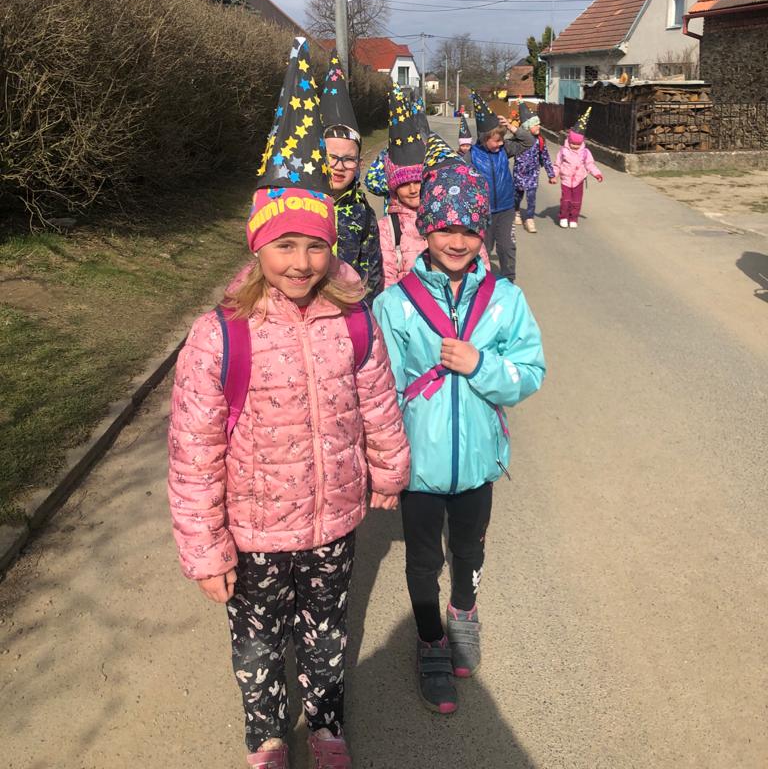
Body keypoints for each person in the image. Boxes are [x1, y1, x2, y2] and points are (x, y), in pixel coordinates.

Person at [168, 37, 410, 769]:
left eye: (315, 246)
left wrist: (388, 472)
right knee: (258, 640)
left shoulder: (354, 320)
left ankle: (327, 725)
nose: (301, 263)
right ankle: (269, 736)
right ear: (257, 247)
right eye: (285, 246)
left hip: (333, 520)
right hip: (254, 530)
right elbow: (194, 452)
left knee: (327, 632)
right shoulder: (220, 336)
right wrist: (206, 548)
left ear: (332, 246)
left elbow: (378, 402)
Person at [373, 160, 545, 716]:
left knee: (469, 548)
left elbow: (530, 372)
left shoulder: (506, 301)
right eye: (445, 227)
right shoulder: (394, 305)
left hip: (477, 462)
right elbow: (378, 391)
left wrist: (480, 365)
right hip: (418, 466)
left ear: (482, 232)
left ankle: (464, 612)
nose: (457, 240)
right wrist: (384, 463)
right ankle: (430, 640)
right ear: (425, 226)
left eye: (470, 229)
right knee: (423, 559)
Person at [321, 50, 383, 297]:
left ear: (358, 164)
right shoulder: (299, 204)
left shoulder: (362, 212)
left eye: (348, 159)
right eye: (331, 157)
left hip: (350, 306)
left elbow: (372, 269)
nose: (339, 166)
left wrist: (367, 308)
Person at [468, 91, 534, 283]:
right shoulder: (471, 155)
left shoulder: (504, 149)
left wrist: (511, 127)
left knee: (507, 246)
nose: (500, 143)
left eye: (501, 139)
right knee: (483, 249)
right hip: (483, 212)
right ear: (483, 138)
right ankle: (482, 281)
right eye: (496, 140)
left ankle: (509, 281)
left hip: (506, 208)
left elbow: (528, 141)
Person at [378, 89, 429, 287]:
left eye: (418, 181)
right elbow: (387, 276)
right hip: (404, 301)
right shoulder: (388, 227)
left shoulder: (440, 216)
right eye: (404, 184)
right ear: (393, 188)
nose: (413, 189)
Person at [512, 100, 556, 235]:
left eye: (539, 124)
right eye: (535, 124)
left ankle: (530, 219)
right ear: (526, 127)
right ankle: (516, 211)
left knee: (531, 197)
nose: (538, 126)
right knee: (517, 195)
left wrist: (551, 174)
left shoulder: (540, 141)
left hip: (533, 174)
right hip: (519, 173)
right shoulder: (518, 140)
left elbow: (546, 158)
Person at [554, 107, 603, 228]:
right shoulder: (563, 151)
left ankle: (573, 218)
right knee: (566, 200)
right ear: (569, 140)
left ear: (581, 142)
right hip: (565, 180)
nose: (575, 146)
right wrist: (554, 175)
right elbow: (557, 164)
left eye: (578, 144)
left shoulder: (585, 152)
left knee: (576, 201)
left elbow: (590, 164)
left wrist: (597, 174)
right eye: (573, 143)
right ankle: (564, 217)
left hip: (579, 180)